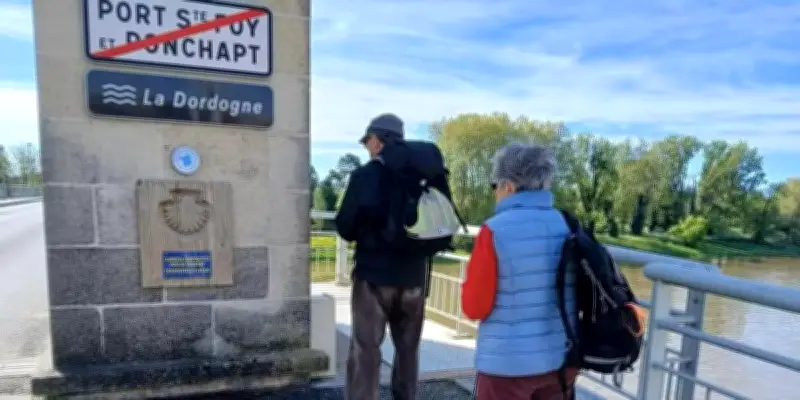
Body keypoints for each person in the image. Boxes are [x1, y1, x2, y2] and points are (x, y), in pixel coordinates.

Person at [460, 142, 578, 400]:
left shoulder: (494, 230)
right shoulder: (567, 225)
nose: (494, 193)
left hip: (507, 366)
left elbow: (474, 307)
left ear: (509, 186)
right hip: (562, 360)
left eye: (494, 186)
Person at [335, 113, 429, 400]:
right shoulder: (422, 177)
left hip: (373, 279)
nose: (366, 147)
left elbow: (346, 227)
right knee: (408, 349)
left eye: (367, 141)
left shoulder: (365, 176)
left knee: (366, 349)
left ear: (377, 141)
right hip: (414, 276)